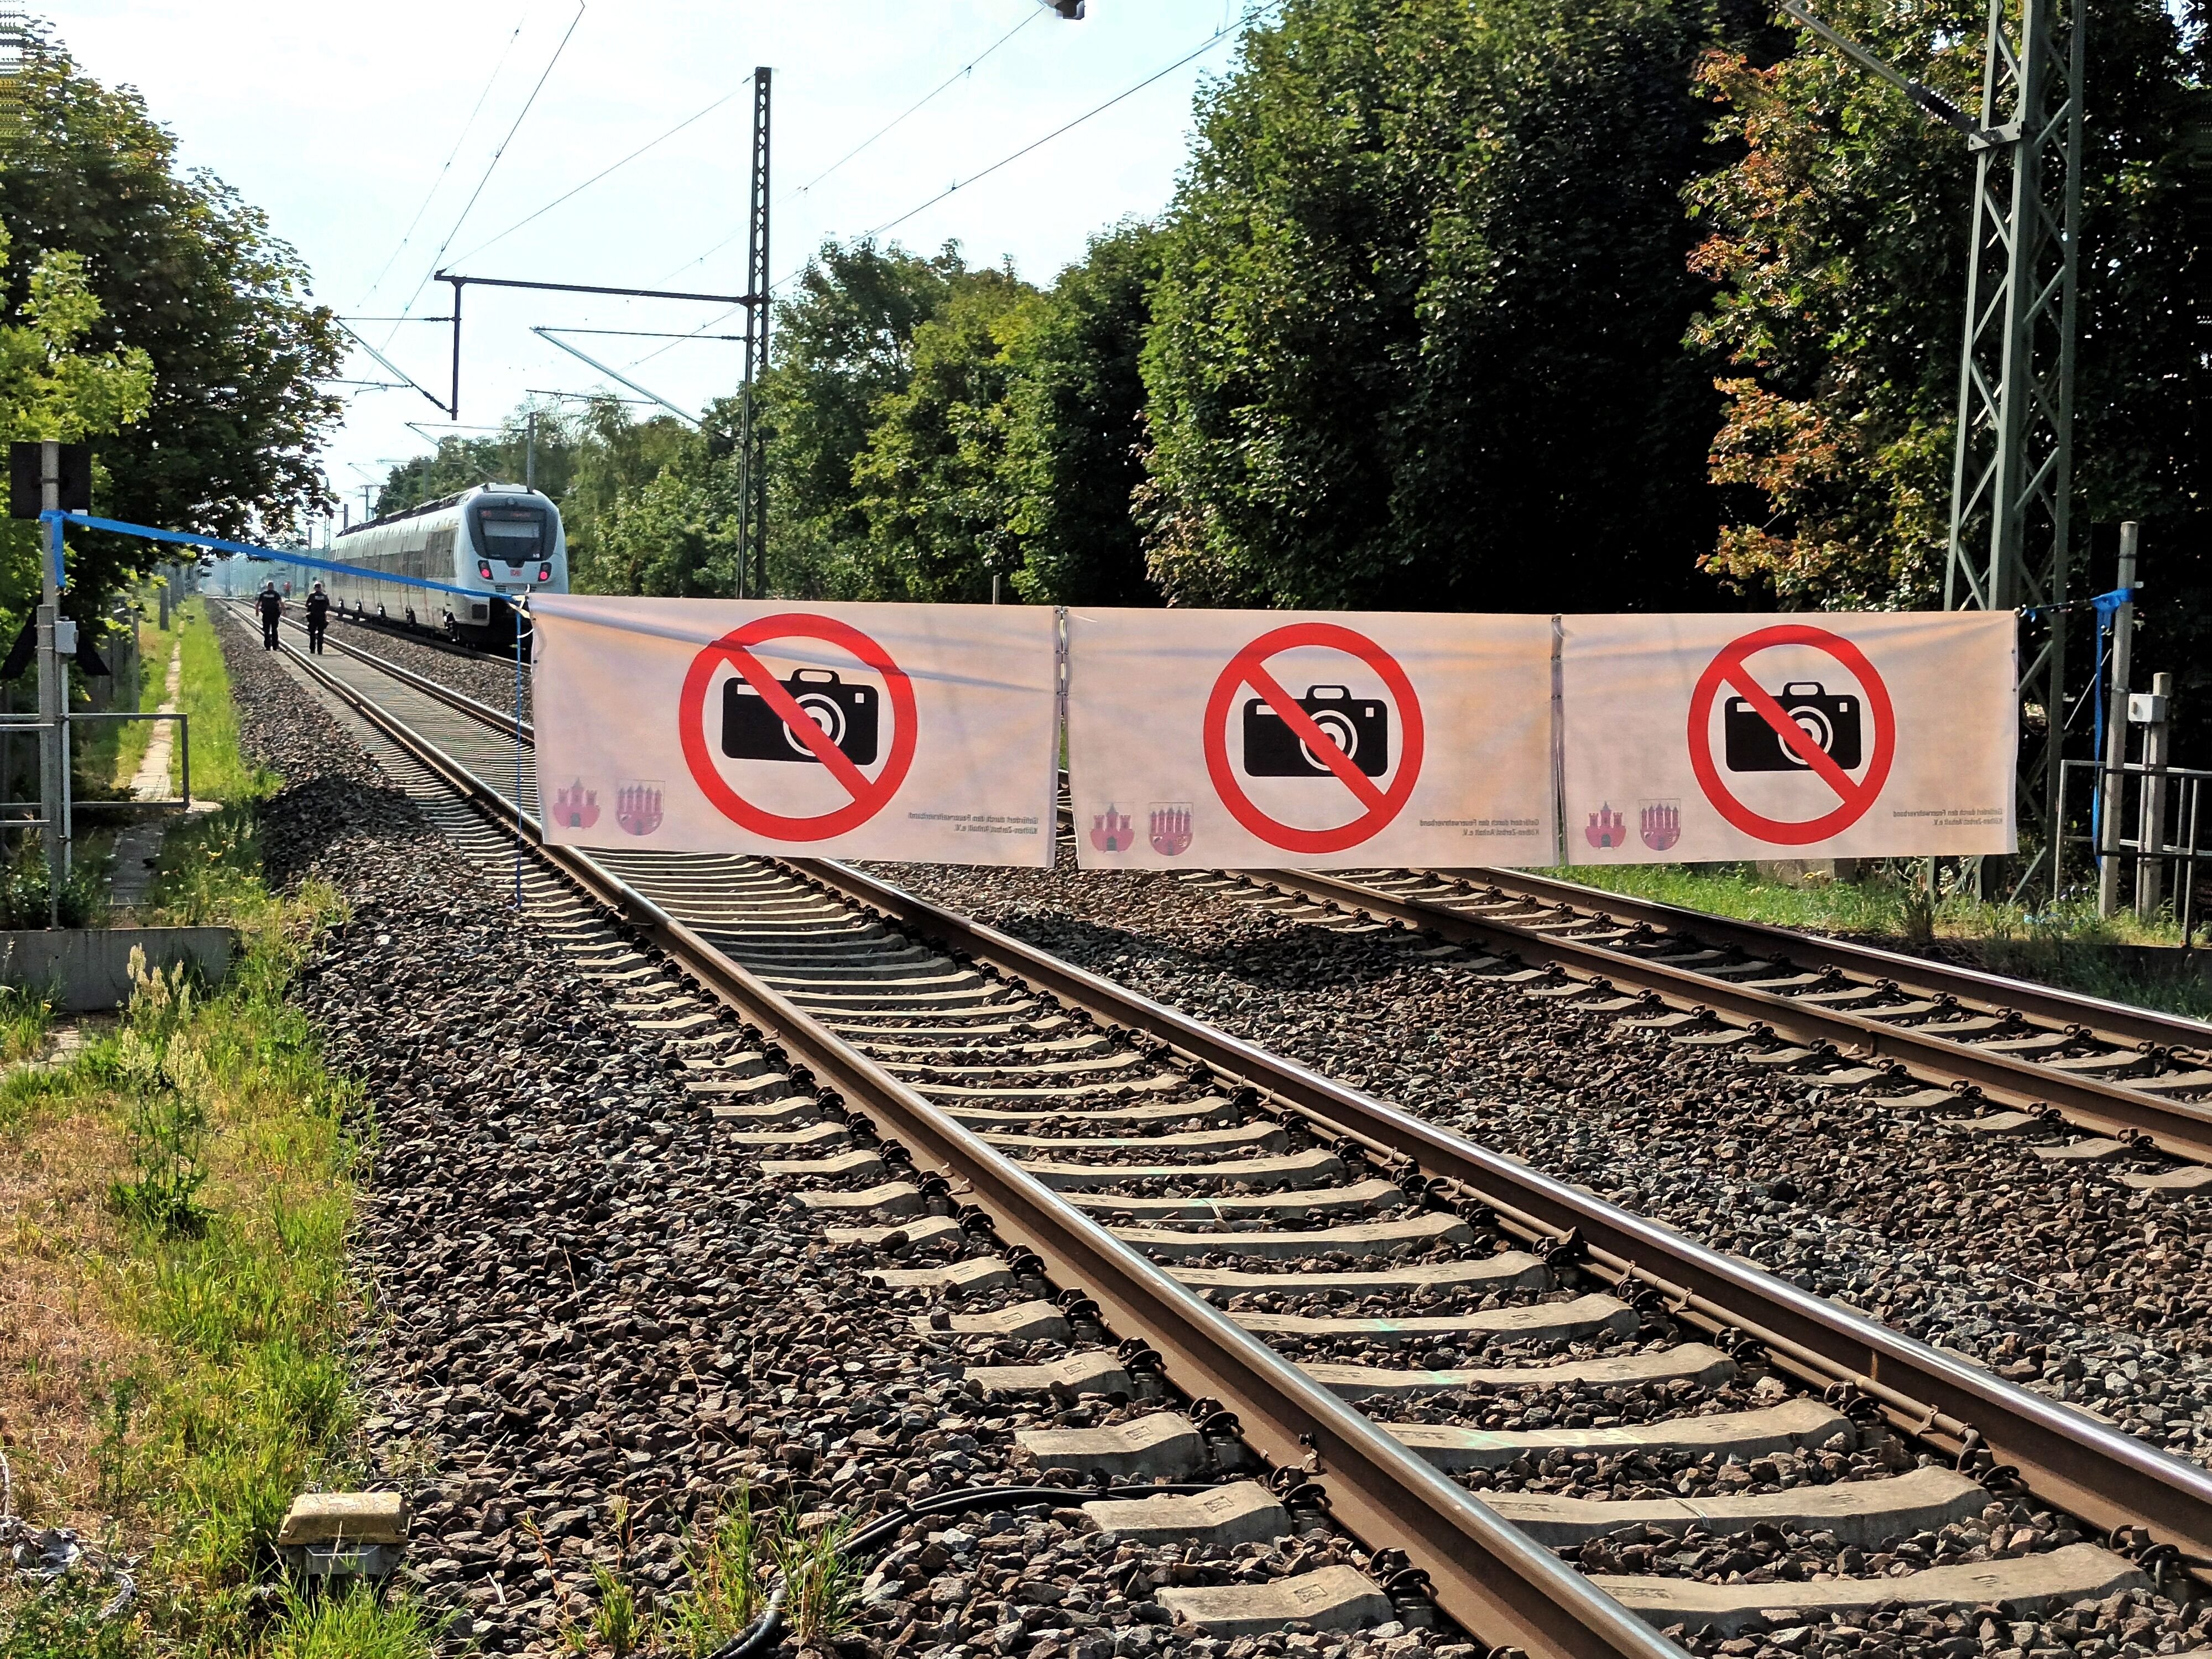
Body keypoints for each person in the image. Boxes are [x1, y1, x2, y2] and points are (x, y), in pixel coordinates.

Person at [305, 581, 330, 654]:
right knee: (321, 634)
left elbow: (307, 605)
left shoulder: (312, 596)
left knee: (312, 633)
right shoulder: (325, 596)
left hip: (313, 617)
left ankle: (312, 649)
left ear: (314, 588)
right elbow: (328, 606)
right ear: (320, 588)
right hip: (322, 617)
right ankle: (320, 650)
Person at [257, 581, 283, 649]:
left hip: (267, 615)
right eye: (270, 586)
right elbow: (280, 603)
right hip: (273, 615)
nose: (271, 587)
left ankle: (268, 646)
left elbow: (258, 604)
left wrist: (257, 611)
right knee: (273, 630)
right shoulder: (276, 594)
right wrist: (283, 610)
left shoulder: (263, 594)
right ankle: (275, 646)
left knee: (267, 630)